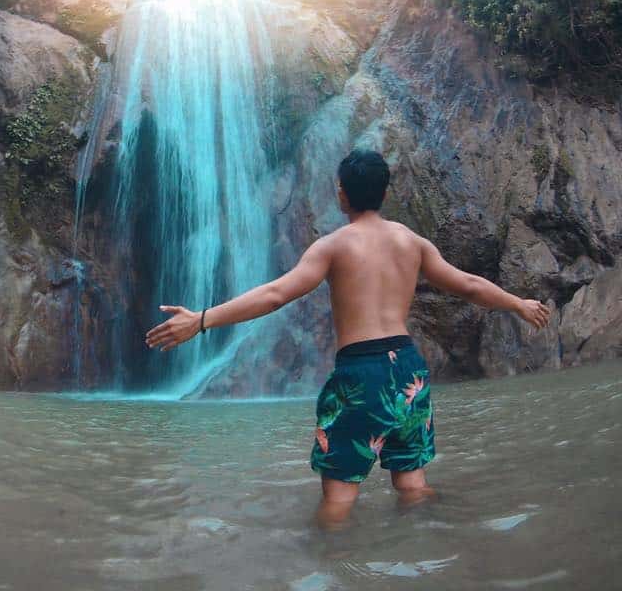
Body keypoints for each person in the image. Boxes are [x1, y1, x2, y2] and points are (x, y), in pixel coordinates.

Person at [145, 148, 552, 527]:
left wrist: (201, 320)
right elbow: (467, 284)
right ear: (385, 192)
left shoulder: (333, 246)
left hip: (361, 372)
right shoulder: (413, 242)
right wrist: (518, 304)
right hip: (409, 369)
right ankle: (427, 553)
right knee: (412, 484)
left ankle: (332, 565)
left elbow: (274, 295)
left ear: (341, 193)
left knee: (340, 496)